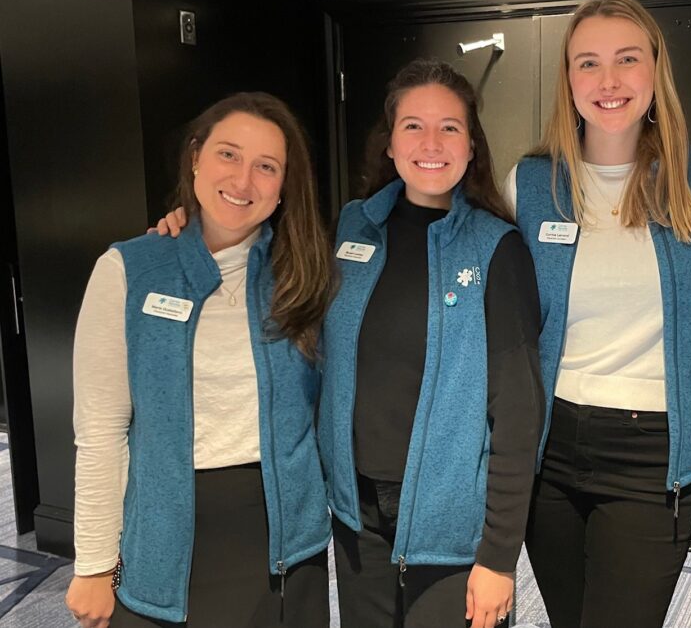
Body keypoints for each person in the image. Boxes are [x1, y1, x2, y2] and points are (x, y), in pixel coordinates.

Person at [65, 93, 335, 628]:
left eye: (266, 167)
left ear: (284, 187)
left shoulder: (305, 276)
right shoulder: (129, 269)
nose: (242, 181)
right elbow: (100, 430)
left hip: (286, 536)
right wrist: (94, 565)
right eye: (228, 155)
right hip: (166, 535)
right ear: (195, 158)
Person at [504, 0, 691, 628]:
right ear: (567, 79)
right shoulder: (531, 182)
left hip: (654, 451)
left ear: (656, 71)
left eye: (627, 59)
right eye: (588, 63)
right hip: (552, 445)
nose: (609, 81)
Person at [319, 59, 544, 628]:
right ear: (390, 144)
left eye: (450, 127)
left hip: (454, 533)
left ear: (472, 147)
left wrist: (498, 557)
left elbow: (517, 414)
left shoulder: (498, 249)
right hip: (357, 518)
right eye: (413, 126)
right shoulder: (352, 228)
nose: (432, 142)